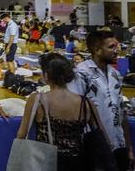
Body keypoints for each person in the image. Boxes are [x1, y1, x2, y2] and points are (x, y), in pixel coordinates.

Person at [17, 52, 106, 170]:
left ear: (46, 75)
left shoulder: (38, 100)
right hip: (77, 163)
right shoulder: (85, 103)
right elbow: (101, 133)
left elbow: (21, 134)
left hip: (45, 162)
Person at [69, 30, 134, 171]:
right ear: (97, 50)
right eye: (111, 47)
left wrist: (129, 148)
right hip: (94, 148)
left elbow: (121, 113)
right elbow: (74, 114)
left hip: (118, 144)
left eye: (117, 46)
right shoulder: (81, 74)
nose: (117, 51)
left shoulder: (115, 75)